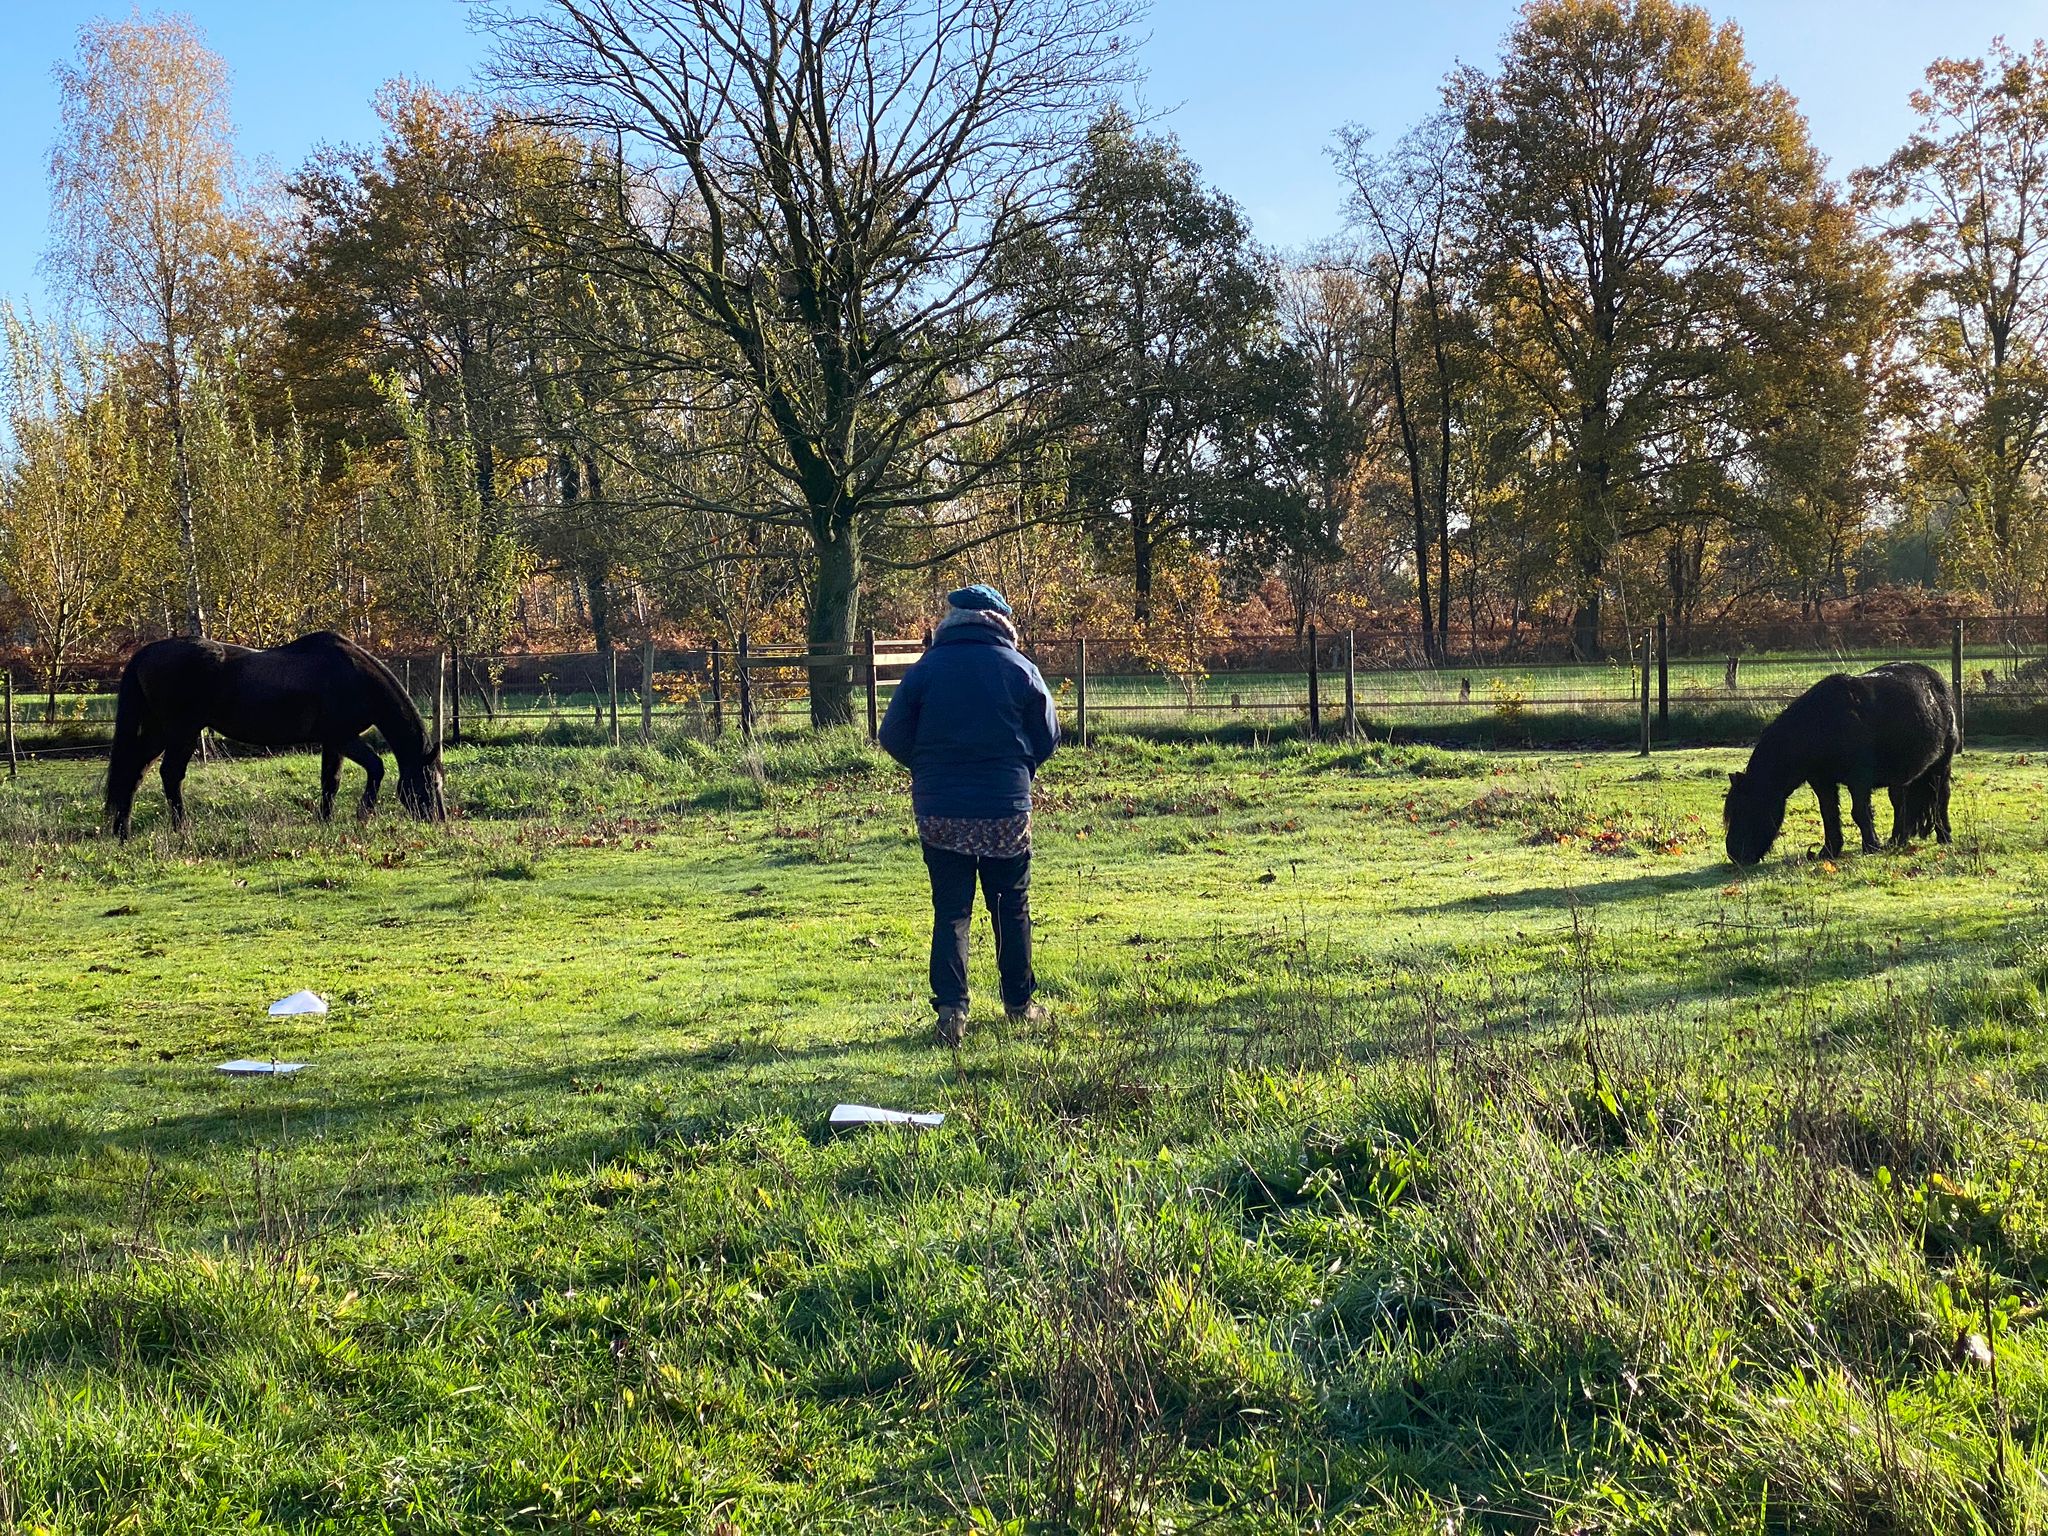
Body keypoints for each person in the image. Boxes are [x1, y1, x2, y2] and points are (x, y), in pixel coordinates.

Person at [878, 584, 1060, 1046]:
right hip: (1005, 808)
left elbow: (892, 734)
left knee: (952, 911)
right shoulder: (1021, 669)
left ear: (952, 621)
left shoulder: (926, 670)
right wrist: (1021, 769)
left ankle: (952, 1014)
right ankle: (1019, 1005)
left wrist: (927, 768)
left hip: (941, 810)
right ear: (1002, 622)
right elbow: (1049, 736)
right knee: (1010, 907)